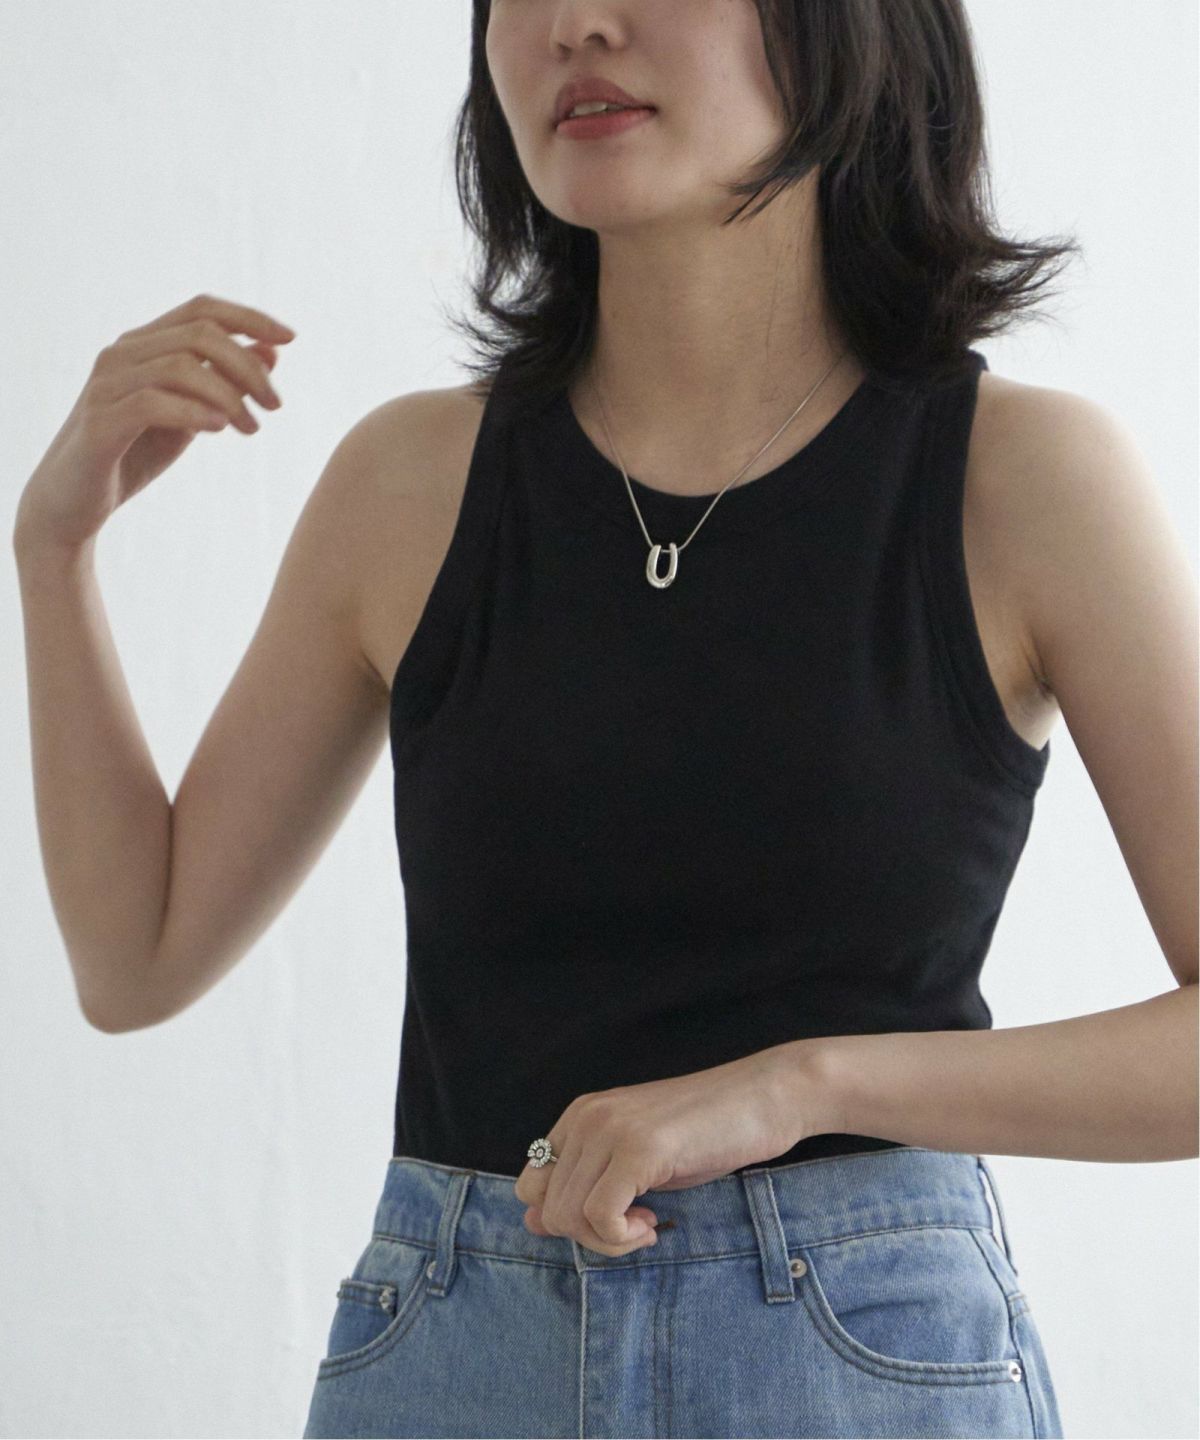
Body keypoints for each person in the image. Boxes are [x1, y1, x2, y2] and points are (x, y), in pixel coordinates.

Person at [13, 2, 1196, 1437]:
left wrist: (799, 1089)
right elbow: (135, 958)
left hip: (854, 1366)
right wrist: (54, 547)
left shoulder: (1024, 481)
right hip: (456, 1359)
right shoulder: (409, 485)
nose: (578, 23)